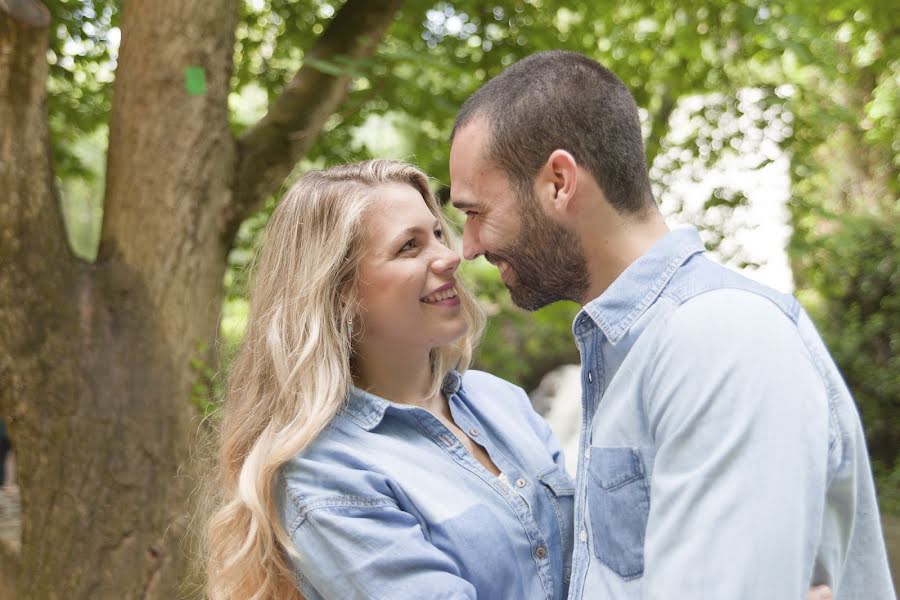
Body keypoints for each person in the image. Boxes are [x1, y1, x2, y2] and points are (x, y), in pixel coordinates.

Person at [448, 50, 894, 598]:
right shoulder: (628, 350)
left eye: (474, 213)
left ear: (559, 183)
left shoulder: (720, 339)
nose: (467, 248)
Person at [205, 160, 576, 599]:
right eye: (408, 247)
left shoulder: (500, 401)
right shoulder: (327, 474)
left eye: (437, 233)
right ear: (339, 291)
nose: (449, 255)